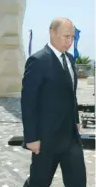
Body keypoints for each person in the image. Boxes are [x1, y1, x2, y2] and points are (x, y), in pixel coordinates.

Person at [21, 17, 86, 187]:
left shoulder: (71, 60)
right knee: (39, 182)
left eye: (72, 37)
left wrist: (77, 120)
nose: (70, 41)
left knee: (78, 182)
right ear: (52, 33)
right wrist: (31, 137)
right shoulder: (38, 61)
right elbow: (28, 101)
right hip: (46, 139)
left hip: (71, 137)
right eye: (66, 37)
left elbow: (71, 95)